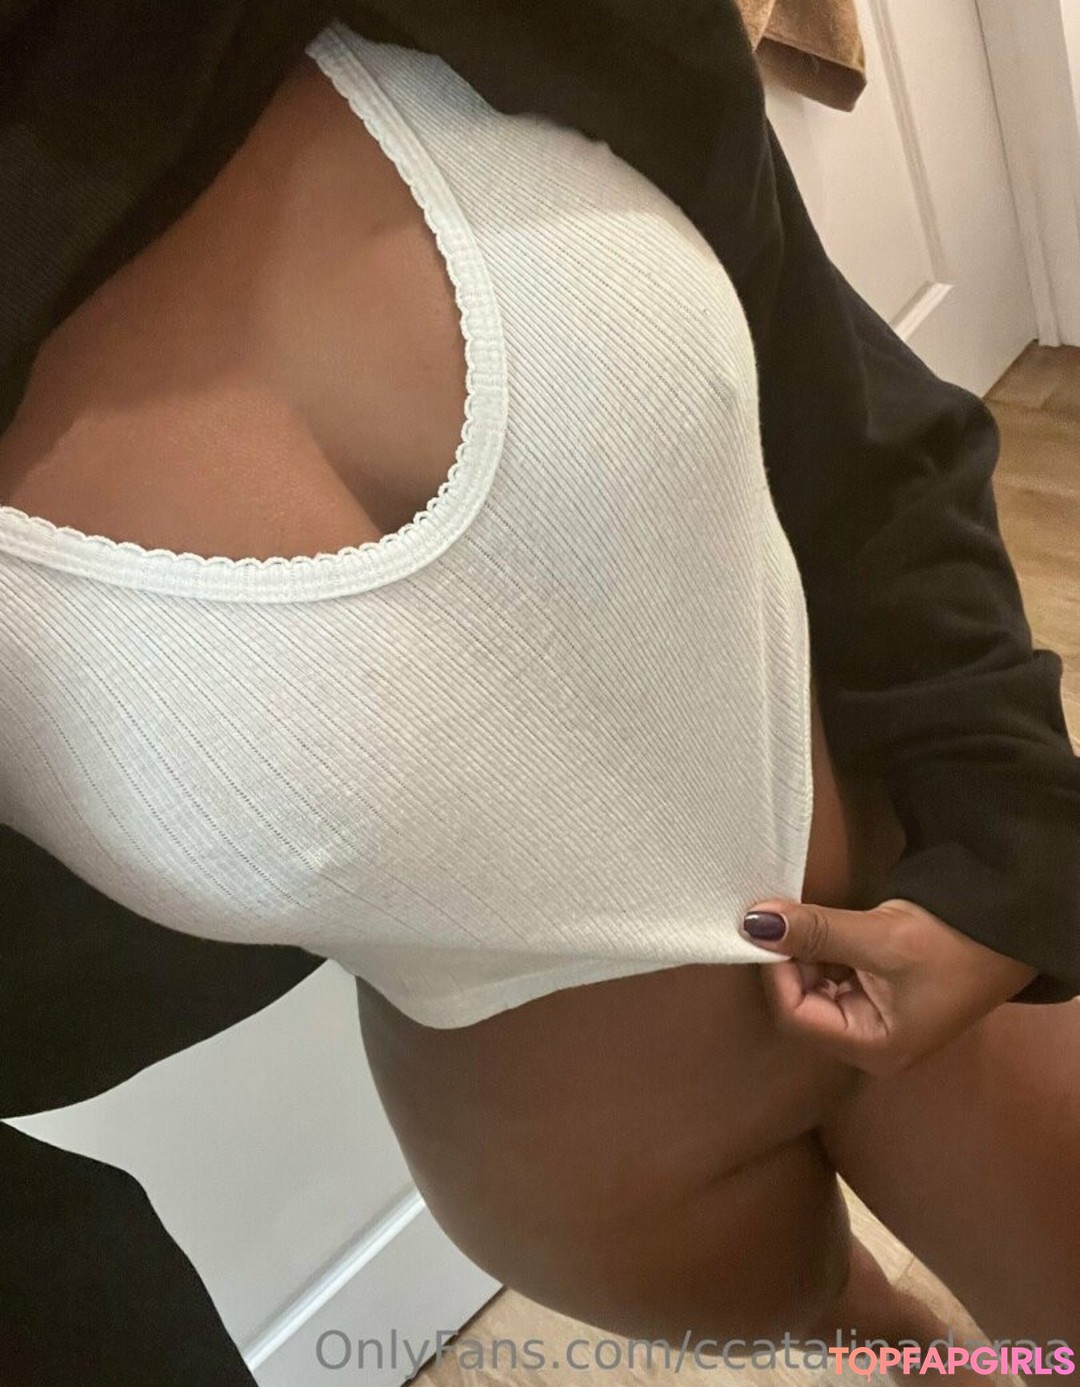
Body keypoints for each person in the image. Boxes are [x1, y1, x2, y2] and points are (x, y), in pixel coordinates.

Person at [1, 3, 1077, 1383]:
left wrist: (1010, 820)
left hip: (931, 924)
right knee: (905, 1356)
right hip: (590, 1175)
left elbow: (850, 407)